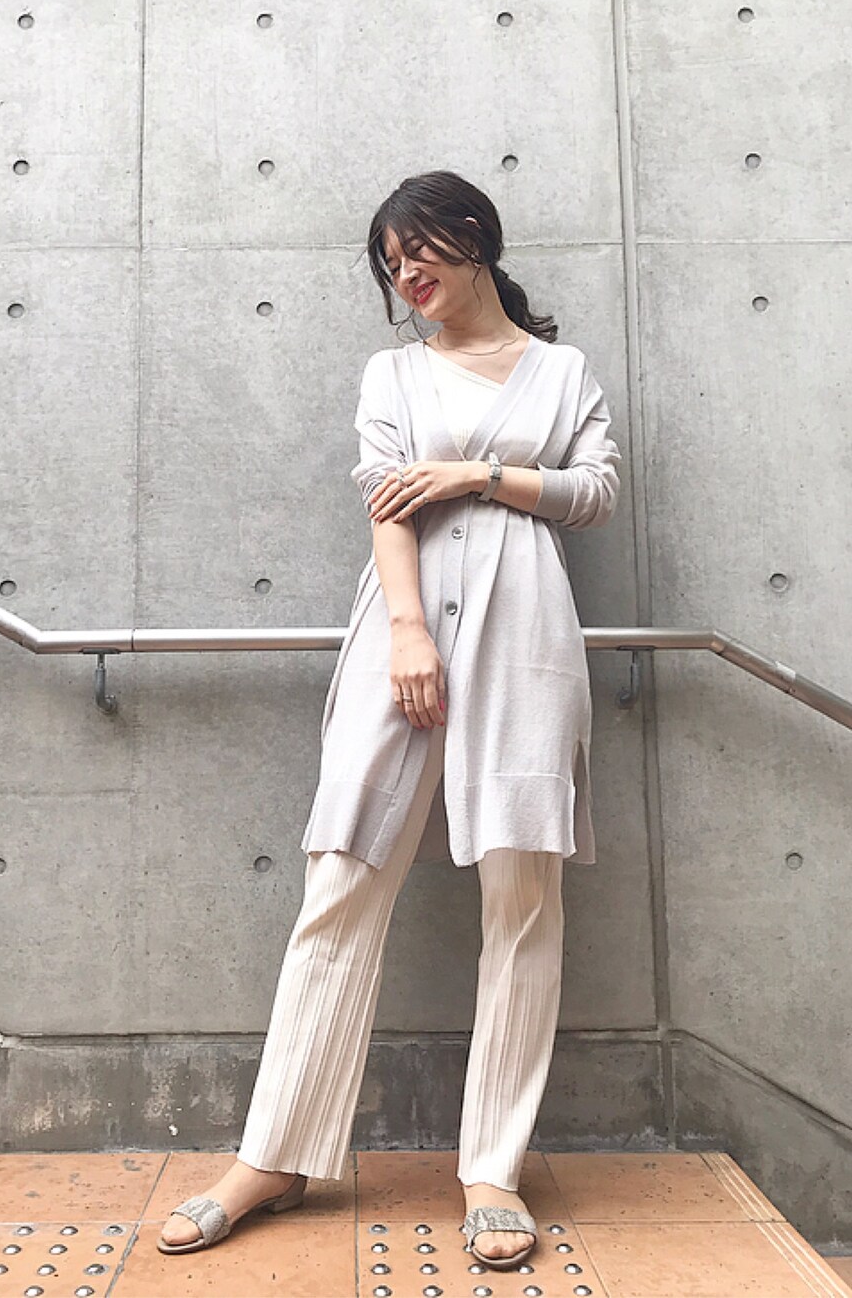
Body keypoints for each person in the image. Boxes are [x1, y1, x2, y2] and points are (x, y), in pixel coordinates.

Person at [158, 169, 622, 1270]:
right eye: (390, 262)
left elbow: (595, 491)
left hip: (525, 637)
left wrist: (478, 472)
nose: (405, 274)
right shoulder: (393, 373)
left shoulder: (561, 373)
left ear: (475, 240)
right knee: (340, 878)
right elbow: (385, 503)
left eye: (420, 251)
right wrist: (407, 633)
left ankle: (491, 1169)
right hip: (399, 635)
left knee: (522, 895)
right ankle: (273, 1155)